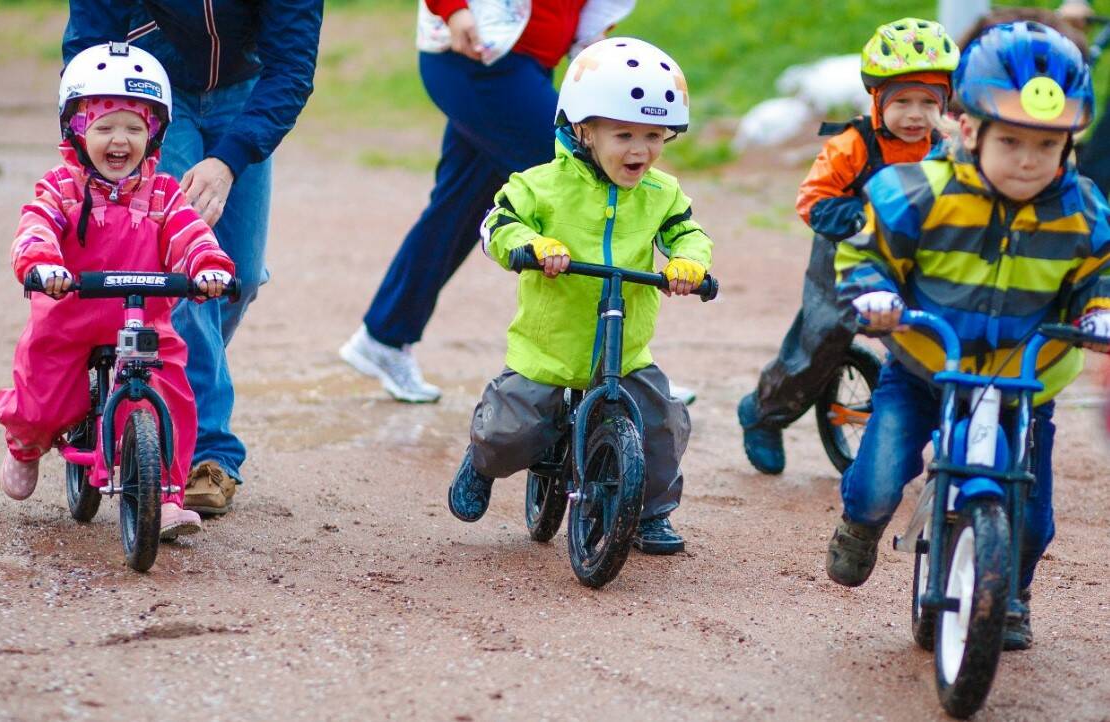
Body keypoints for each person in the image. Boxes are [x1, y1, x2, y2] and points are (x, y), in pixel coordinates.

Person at [824, 22, 1108, 651]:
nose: (1028, 161)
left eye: (1047, 144)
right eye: (1010, 140)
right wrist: (876, 294)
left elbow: (1101, 272)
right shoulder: (920, 190)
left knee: (1032, 519)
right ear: (970, 128)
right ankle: (859, 526)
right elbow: (866, 250)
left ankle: (1012, 593)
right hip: (928, 364)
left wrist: (1100, 312)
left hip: (1024, 381)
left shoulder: (1082, 209)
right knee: (877, 481)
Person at [446, 37, 712, 554]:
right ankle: (481, 461)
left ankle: (650, 511)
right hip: (551, 348)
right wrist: (531, 244)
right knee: (511, 431)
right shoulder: (540, 185)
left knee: (662, 424)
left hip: (625, 349)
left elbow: (688, 233)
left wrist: (689, 263)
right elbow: (497, 223)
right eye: (624, 134)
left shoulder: (663, 194)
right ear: (584, 130)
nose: (640, 150)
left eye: (654, 136)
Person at [63, 1, 323, 516]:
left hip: (243, 92)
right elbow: (87, 41)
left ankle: (163, 374)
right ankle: (207, 454)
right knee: (183, 278)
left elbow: (293, 68)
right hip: (148, 93)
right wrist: (89, 132)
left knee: (238, 279)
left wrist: (230, 159)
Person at [338, 0, 636, 404]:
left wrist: (590, 41)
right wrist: (454, 8)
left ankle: (383, 335)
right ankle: (614, 374)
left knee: (460, 207)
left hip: (528, 68)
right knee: (582, 179)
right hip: (477, 59)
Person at [0, 43, 235, 539]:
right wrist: (40, 262)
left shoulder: (164, 193)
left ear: (155, 132)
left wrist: (207, 265)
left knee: (170, 393)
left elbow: (190, 231)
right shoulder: (62, 187)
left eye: (134, 127)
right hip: (70, 315)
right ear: (76, 132)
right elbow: (36, 225)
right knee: (42, 393)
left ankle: (165, 496)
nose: (119, 140)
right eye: (104, 127)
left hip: (145, 320)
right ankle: (25, 442)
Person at [737, 18, 960, 474]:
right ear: (877, 99)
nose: (916, 115)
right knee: (822, 338)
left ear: (946, 103)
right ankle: (764, 411)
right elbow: (812, 198)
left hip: (918, 257)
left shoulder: (948, 145)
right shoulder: (853, 143)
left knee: (942, 332)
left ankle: (943, 430)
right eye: (903, 102)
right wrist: (860, 218)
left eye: (928, 102)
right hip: (844, 251)